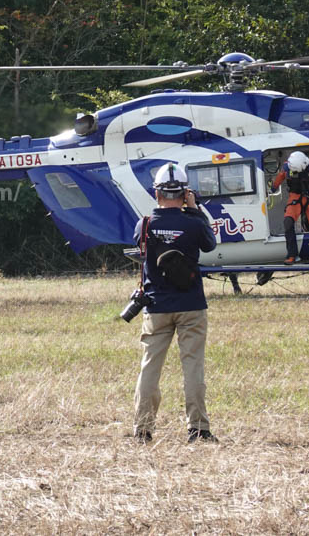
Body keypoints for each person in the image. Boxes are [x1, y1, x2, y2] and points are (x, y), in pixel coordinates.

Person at [132, 163, 218, 444]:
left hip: (156, 306)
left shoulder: (145, 224)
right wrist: (193, 209)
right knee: (193, 366)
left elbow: (140, 251)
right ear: (184, 193)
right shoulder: (193, 222)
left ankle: (143, 430)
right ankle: (198, 429)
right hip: (191, 303)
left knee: (150, 368)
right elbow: (210, 245)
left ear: (157, 193)